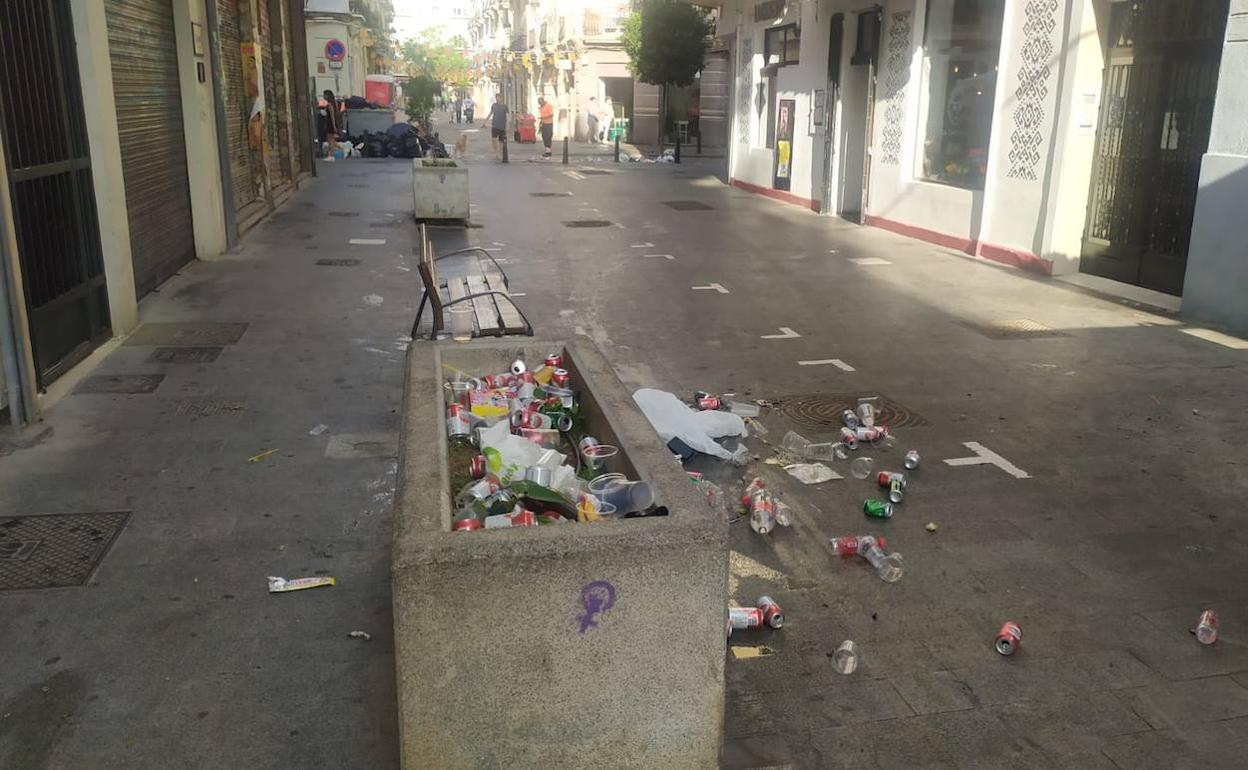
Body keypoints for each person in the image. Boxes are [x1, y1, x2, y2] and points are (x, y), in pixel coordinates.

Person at [488, 93, 509, 161]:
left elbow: (507, 116)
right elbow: (491, 113)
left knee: (501, 141)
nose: (497, 99)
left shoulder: (505, 106)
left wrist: (508, 125)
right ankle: (496, 152)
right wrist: (485, 121)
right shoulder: (493, 105)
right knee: (494, 140)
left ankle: (499, 154)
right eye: (496, 97)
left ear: (502, 98)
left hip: (502, 126)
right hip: (495, 125)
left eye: (499, 97)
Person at [321, 89, 339, 161]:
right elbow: (336, 114)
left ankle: (331, 155)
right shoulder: (335, 104)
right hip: (332, 123)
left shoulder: (329, 105)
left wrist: (334, 126)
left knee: (330, 140)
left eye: (324, 95)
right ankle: (332, 154)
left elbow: (332, 116)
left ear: (328, 95)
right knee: (332, 140)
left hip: (330, 123)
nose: (323, 96)